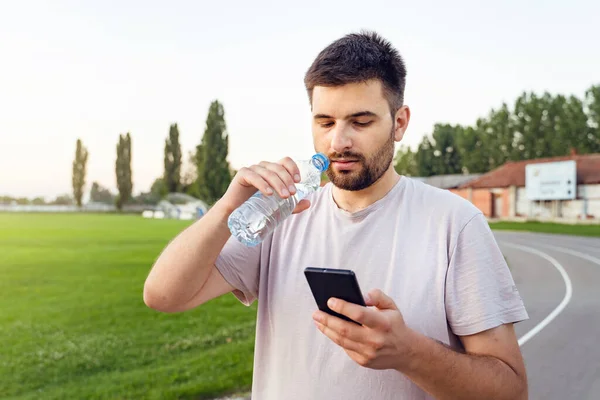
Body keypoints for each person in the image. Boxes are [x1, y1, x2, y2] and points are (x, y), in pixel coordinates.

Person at [144, 31, 529, 400]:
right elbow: (164, 295)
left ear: (399, 123)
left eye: (360, 122)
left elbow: (511, 391)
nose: (337, 142)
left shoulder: (454, 223)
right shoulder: (283, 214)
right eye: (324, 122)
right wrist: (227, 206)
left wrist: (409, 353)